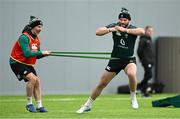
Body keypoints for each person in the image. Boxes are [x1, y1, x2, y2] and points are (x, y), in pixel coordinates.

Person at [76, 8, 145, 113]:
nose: (122, 22)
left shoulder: (132, 28)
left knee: (131, 73)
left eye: (125, 20)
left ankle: (133, 97)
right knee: (102, 84)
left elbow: (142, 31)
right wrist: (110, 29)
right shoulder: (114, 25)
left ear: (129, 21)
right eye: (121, 20)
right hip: (115, 60)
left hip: (128, 60)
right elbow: (97, 32)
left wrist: (125, 30)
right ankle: (87, 105)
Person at [9, 16, 51, 112]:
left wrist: (46, 54)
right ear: (33, 27)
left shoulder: (37, 39)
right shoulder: (24, 37)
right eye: (38, 27)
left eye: (41, 27)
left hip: (26, 63)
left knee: (37, 81)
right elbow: (27, 53)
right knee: (32, 79)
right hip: (16, 62)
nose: (40, 29)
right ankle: (29, 104)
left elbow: (37, 55)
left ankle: (40, 106)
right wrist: (41, 52)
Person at [137, 25, 154, 97]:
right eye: (149, 31)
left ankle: (144, 92)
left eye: (151, 31)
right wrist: (142, 59)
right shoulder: (143, 39)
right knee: (149, 75)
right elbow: (139, 51)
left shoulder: (149, 39)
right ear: (145, 31)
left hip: (150, 61)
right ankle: (139, 87)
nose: (150, 32)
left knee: (147, 75)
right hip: (146, 61)